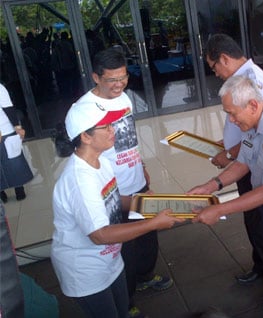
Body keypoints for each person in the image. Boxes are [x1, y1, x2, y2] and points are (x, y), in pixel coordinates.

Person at [188, 76, 263, 318]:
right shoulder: (252, 126)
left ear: (253, 105)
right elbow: (243, 162)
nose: (231, 120)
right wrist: (211, 185)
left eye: (233, 113)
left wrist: (218, 209)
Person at [51, 101, 183, 318]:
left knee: (122, 310)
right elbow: (100, 234)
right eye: (106, 127)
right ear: (85, 136)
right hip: (87, 271)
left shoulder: (101, 161)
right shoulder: (79, 180)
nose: (115, 130)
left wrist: (140, 202)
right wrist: (153, 223)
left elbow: (111, 197)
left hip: (110, 260)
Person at [73, 47, 172, 318]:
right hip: (112, 190)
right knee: (123, 248)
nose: (119, 85)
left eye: (123, 77)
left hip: (136, 180)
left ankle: (144, 276)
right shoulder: (83, 111)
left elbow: (130, 139)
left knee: (146, 238)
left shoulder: (125, 98)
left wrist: (141, 166)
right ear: (95, 77)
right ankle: (126, 300)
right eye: (112, 80)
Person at [205, 33, 263, 306]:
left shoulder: (252, 81)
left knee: (262, 223)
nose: (216, 73)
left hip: (256, 162)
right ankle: (261, 267)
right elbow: (243, 126)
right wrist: (227, 146)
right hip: (245, 158)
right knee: (252, 220)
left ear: (224, 58)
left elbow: (259, 130)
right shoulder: (244, 77)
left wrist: (230, 153)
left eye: (215, 67)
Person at [0, 83, 33, 203]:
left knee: (14, 162)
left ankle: (19, 189)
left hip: (5, 131)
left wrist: (17, 127)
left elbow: (9, 109)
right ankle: (1, 192)